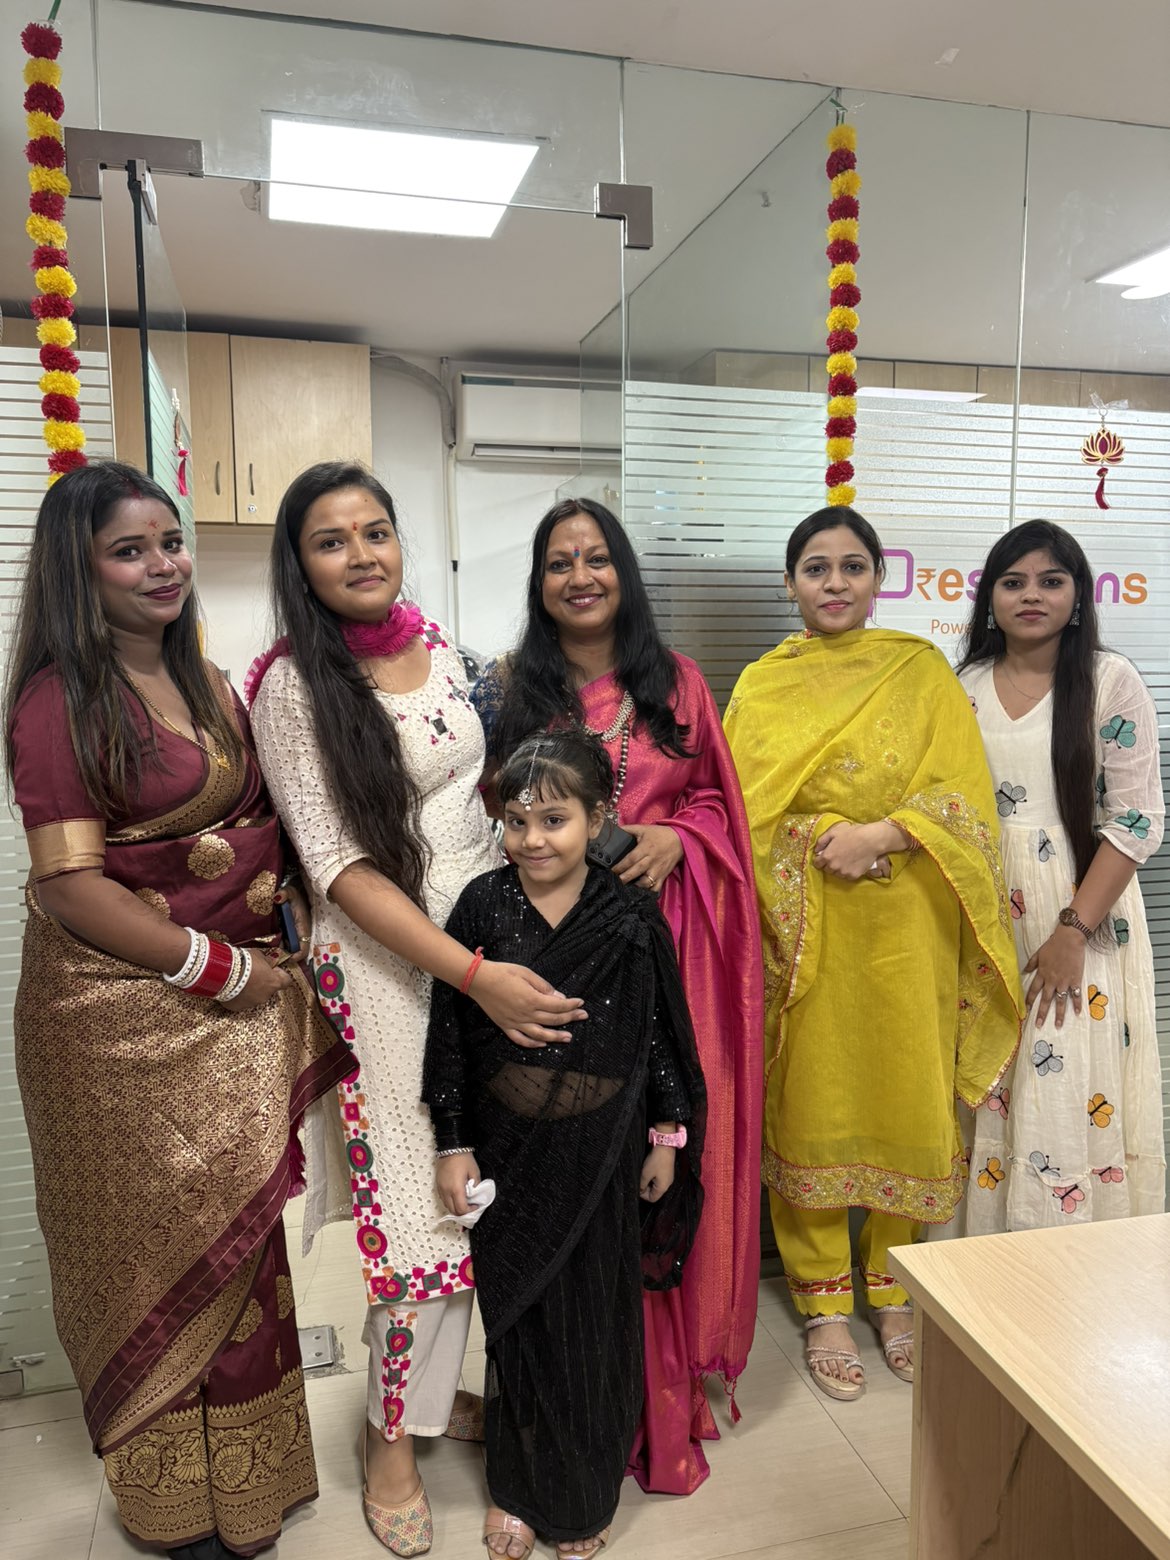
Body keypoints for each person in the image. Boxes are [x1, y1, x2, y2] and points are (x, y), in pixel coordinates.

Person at [4, 461, 355, 1560]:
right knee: (153, 1259)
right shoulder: (58, 701)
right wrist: (220, 968)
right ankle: (173, 1507)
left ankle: (250, 1488)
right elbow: (70, 886)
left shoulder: (204, 676)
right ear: (81, 571)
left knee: (242, 1246)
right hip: (114, 1023)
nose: (163, 565)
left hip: (229, 1004)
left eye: (170, 541)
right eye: (129, 550)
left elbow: (256, 828)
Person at [246, 462, 587, 1557]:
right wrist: (470, 973)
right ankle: (389, 1441)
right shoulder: (292, 687)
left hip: (487, 948)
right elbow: (337, 865)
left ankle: (434, 1397)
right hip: (386, 975)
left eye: (376, 531)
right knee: (417, 1218)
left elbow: (494, 804)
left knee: (482, 1195)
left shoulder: (445, 652)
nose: (361, 554)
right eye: (331, 540)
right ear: (300, 564)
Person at [471, 497, 762, 1493]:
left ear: (624, 573)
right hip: (556, 955)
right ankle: (567, 1398)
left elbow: (720, 801)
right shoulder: (510, 688)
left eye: (597, 558)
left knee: (658, 1155)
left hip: (668, 942)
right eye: (559, 562)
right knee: (574, 1164)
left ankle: (657, 1392)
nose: (580, 576)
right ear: (539, 583)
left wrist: (680, 836)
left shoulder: (676, 683)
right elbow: (485, 817)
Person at [723, 505, 1022, 1402]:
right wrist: (821, 835)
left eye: (853, 566)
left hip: (908, 927)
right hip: (806, 928)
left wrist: (883, 834)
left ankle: (892, 1291)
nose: (835, 583)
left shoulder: (919, 670)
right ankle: (822, 1304)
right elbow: (739, 818)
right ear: (789, 583)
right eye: (816, 567)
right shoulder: (761, 685)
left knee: (906, 1099)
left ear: (880, 578)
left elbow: (965, 799)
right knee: (812, 1102)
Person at [422, 730, 706, 1560]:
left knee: (593, 1327)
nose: (533, 840)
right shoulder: (482, 906)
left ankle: (581, 1502)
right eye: (517, 821)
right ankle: (515, 1491)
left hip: (603, 1155)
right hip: (508, 1156)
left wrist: (666, 1137)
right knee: (519, 1324)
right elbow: (450, 1034)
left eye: (554, 820)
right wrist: (453, 1143)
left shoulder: (628, 914)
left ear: (597, 820)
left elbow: (660, 1037)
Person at [957, 521, 1165, 1231]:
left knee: (1068, 1081)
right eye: (1012, 581)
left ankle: (1069, 1261)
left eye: (1051, 581)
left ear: (1078, 596)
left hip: (1081, 914)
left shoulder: (1110, 680)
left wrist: (1073, 931)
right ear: (989, 598)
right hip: (985, 915)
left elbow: (1136, 822)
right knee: (991, 1084)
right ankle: (983, 1264)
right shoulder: (964, 684)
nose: (1031, 595)